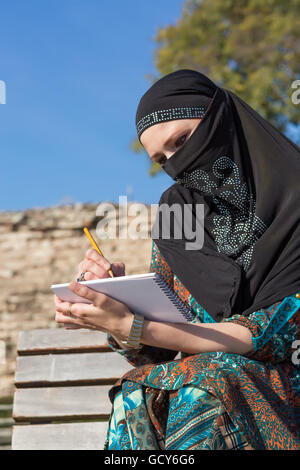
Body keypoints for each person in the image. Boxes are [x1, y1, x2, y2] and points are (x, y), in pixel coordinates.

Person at [54, 70, 300, 450]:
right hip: (212, 384)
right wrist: (116, 305)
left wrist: (132, 324)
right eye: (160, 158)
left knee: (212, 379)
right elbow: (162, 350)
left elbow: (269, 336)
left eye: (181, 141)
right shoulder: (179, 215)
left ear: (221, 119)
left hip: (283, 396)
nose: (176, 163)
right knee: (138, 390)